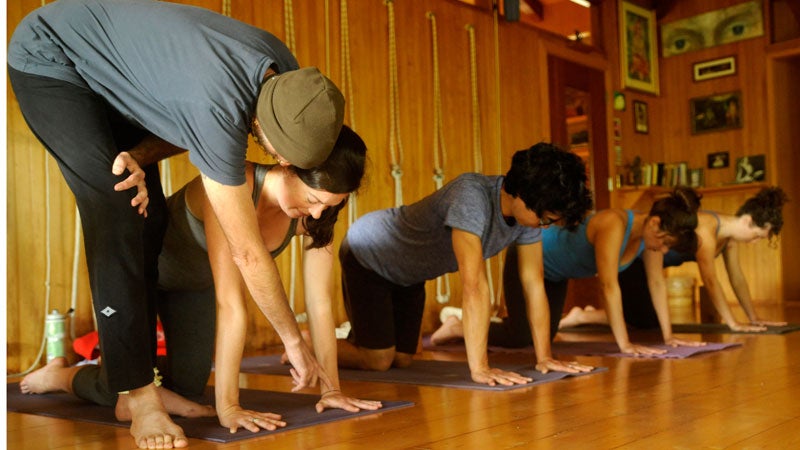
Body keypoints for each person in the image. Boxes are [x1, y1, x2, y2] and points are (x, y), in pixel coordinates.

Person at [9, 1, 343, 447]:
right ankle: (138, 399)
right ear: (264, 119)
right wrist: (292, 340)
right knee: (118, 205)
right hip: (53, 58)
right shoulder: (215, 102)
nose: (280, 163)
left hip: (119, 75)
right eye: (280, 156)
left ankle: (131, 379)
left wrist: (142, 156)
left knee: (150, 217)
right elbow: (246, 252)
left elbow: (188, 122)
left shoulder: (292, 84)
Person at [19, 126, 382, 432]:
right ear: (289, 167)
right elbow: (230, 303)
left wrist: (331, 389)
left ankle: (115, 375)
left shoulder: (315, 215)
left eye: (331, 204)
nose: (319, 212)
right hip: (142, 280)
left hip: (192, 289)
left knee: (187, 389)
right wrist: (229, 407)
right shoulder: (231, 183)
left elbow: (319, 304)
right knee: (128, 386)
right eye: (314, 198)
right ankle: (61, 377)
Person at [336, 143, 596, 387]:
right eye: (545, 219)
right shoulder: (471, 196)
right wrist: (480, 367)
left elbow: (534, 284)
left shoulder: (527, 221)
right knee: (378, 360)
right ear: (523, 195)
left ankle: (359, 341)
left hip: (409, 275)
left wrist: (545, 357)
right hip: (370, 252)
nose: (546, 226)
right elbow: (474, 285)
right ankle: (302, 347)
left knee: (403, 359)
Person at [433, 187, 707, 355]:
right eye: (666, 242)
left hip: (555, 275)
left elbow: (656, 283)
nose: (663, 249)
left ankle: (466, 322)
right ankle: (459, 325)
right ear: (655, 224)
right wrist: (624, 345)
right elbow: (608, 286)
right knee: (521, 337)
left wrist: (668, 335)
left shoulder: (648, 241)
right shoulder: (613, 223)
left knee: (544, 336)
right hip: (529, 257)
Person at [561, 187, 789, 332]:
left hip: (652, 264)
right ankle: (582, 315)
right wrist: (733, 324)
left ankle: (586, 314)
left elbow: (736, 277)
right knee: (645, 322)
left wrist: (753, 317)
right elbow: (710, 280)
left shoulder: (728, 239)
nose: (755, 241)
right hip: (637, 264)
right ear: (748, 221)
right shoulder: (708, 230)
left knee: (646, 322)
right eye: (757, 235)